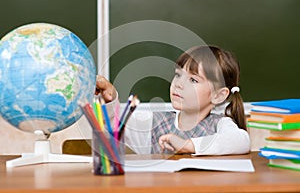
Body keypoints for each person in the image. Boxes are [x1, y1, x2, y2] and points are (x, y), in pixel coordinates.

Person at [96, 45, 250, 155]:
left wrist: (188, 145)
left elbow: (241, 141)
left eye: (193, 80)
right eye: (178, 75)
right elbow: (117, 124)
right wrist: (110, 98)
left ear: (218, 95)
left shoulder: (220, 124)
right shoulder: (155, 123)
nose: (179, 84)